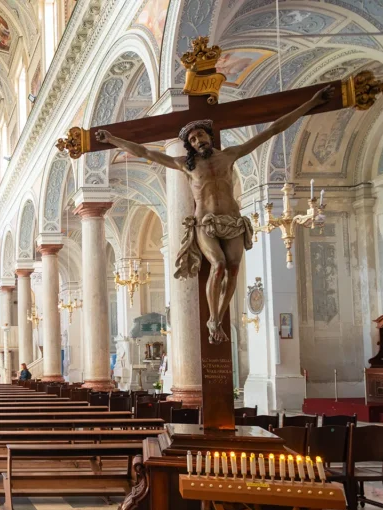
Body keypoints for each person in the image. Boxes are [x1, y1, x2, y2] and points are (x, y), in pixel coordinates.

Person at [96, 85, 332, 344]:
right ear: (190, 146)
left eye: (200, 135)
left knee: (233, 268)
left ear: (209, 135)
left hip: (233, 221)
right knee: (218, 265)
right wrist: (113, 140)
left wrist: (311, 104)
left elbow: (273, 130)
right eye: (192, 140)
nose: (198, 141)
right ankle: (213, 319)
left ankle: (218, 317)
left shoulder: (230, 155)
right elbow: (144, 152)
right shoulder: (186, 165)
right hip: (205, 223)